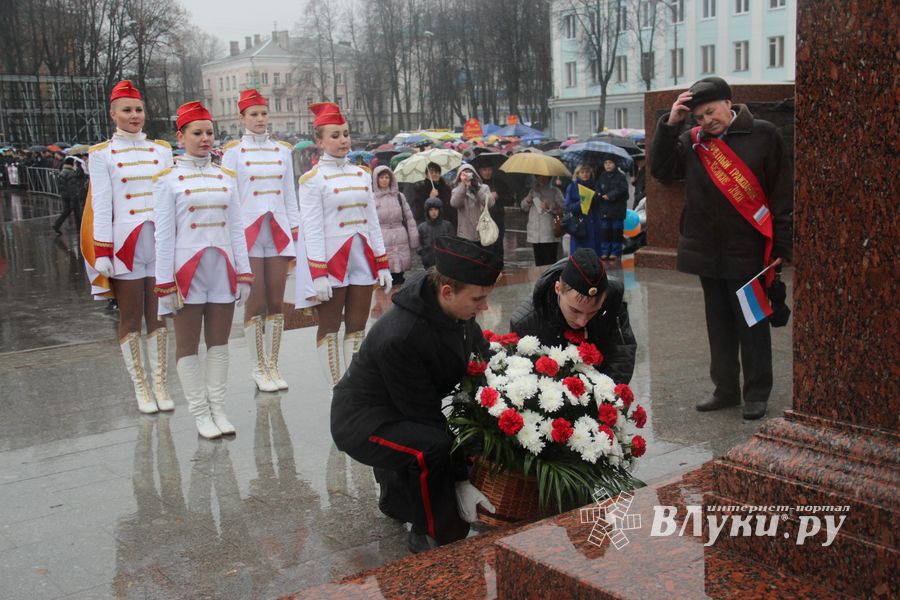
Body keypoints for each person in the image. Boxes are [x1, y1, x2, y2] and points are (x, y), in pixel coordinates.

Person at [330, 236, 501, 553]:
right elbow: (422, 415)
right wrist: (460, 478)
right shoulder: (401, 336)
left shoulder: (453, 309)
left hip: (398, 405)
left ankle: (398, 497)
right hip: (362, 421)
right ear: (447, 292)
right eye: (477, 299)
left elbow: (480, 357)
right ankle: (432, 533)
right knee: (430, 448)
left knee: (431, 445)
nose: (484, 306)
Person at [650, 76, 793, 420]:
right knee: (719, 326)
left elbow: (782, 192)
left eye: (711, 112)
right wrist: (671, 125)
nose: (706, 121)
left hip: (749, 251)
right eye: (699, 117)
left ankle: (756, 393)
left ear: (729, 103)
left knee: (752, 326)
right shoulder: (694, 141)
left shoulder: (764, 134)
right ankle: (725, 389)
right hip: (707, 250)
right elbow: (662, 170)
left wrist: (784, 244)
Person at [153, 100, 253, 438]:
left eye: (209, 132)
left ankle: (218, 408)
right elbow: (164, 236)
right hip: (186, 271)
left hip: (221, 269)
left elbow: (237, 228)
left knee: (219, 343)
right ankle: (199, 413)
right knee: (187, 344)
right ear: (181, 137)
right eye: (197, 133)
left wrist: (244, 271)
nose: (205, 138)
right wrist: (164, 283)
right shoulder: (167, 180)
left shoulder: (226, 177)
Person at [81, 80, 175, 414]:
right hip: (125, 244)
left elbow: (169, 200)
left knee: (160, 314)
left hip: (159, 242)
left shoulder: (162, 150)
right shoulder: (102, 155)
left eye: (138, 110)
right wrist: (103, 251)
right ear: (113, 114)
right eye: (127, 110)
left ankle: (161, 384)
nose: (134, 116)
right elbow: (102, 205)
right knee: (131, 316)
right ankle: (141, 387)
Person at [296, 102, 392, 386]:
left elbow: (371, 221)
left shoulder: (362, 175)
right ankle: (337, 389)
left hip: (361, 259)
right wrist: (318, 273)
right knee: (328, 328)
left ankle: (354, 386)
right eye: (335, 135)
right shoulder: (311, 180)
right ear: (320, 141)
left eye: (346, 134)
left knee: (357, 327)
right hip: (331, 262)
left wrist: (382, 262)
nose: (343, 140)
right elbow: (311, 229)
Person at [221, 89, 301, 393]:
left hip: (277, 232)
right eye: (253, 114)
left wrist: (295, 232)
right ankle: (258, 367)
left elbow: (290, 195)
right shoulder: (233, 153)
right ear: (241, 117)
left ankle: (273, 364)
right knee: (255, 302)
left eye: (264, 113)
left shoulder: (283, 151)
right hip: (250, 233)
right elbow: (229, 199)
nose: (260, 119)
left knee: (276, 302)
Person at [509, 248, 637, 384]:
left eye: (593, 312)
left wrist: (607, 397)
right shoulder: (526, 321)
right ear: (558, 289)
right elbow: (522, 379)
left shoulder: (612, 300)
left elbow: (621, 355)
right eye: (575, 311)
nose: (582, 322)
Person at [372, 165, 419, 286]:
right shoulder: (372, 199)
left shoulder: (399, 196)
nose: (384, 180)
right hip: (382, 237)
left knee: (400, 274)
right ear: (376, 179)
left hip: (400, 236)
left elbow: (409, 218)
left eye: (387, 177)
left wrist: (414, 238)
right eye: (381, 177)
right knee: (385, 272)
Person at [520, 174, 564, 266]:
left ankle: (551, 279)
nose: (542, 179)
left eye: (545, 177)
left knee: (550, 262)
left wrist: (549, 207)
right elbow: (523, 208)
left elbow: (563, 208)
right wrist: (528, 200)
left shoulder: (555, 191)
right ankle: (540, 279)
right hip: (535, 233)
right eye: (539, 177)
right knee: (539, 262)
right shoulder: (533, 190)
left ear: (549, 178)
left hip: (549, 232)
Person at [473, 162, 510, 261]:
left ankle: (499, 268)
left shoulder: (499, 183)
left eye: (489, 169)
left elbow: (510, 199)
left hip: (497, 219)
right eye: (484, 170)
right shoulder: (476, 184)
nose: (487, 172)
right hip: (482, 220)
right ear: (480, 171)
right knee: (484, 246)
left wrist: (498, 196)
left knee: (498, 246)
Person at [449, 163, 493, 244]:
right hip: (465, 233)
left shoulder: (484, 187)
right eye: (464, 173)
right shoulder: (456, 190)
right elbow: (454, 204)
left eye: (469, 172)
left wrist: (476, 188)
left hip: (482, 231)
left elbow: (490, 203)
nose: (467, 175)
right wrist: (463, 186)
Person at [595, 159, 629, 260]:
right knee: (605, 231)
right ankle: (605, 251)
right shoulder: (602, 176)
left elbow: (622, 190)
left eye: (610, 163)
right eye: (605, 163)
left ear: (615, 164)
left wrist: (610, 195)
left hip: (617, 209)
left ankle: (615, 251)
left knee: (616, 231)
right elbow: (597, 188)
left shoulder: (620, 176)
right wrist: (599, 194)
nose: (608, 165)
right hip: (604, 209)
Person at [564, 164, 601, 256]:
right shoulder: (572, 187)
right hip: (580, 226)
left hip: (594, 225)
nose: (585, 174)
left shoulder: (594, 185)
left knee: (594, 255)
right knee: (580, 256)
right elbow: (568, 207)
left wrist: (597, 198)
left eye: (587, 172)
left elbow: (599, 206)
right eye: (582, 172)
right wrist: (582, 202)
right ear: (577, 174)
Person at [412, 161, 455, 228]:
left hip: (447, 225)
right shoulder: (421, 191)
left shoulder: (446, 188)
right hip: (430, 227)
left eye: (437, 172)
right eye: (431, 173)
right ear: (426, 175)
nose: (434, 174)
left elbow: (451, 208)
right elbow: (418, 212)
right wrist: (430, 198)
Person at [52, 155, 87, 234]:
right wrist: (74, 197)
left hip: (65, 195)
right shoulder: (71, 173)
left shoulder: (63, 171)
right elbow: (72, 187)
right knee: (77, 212)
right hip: (71, 196)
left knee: (66, 211)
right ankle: (80, 229)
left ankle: (57, 224)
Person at [416, 197, 454, 269]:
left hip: (445, 263)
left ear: (440, 210)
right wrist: (424, 255)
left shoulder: (447, 226)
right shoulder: (422, 227)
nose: (433, 212)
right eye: (431, 210)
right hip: (428, 263)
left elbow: (452, 243)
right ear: (427, 211)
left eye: (436, 209)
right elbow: (418, 244)